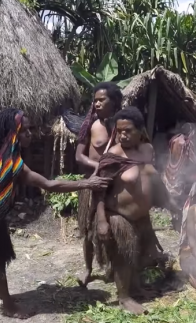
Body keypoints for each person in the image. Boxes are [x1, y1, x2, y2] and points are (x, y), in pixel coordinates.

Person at [0, 108, 110, 319]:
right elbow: (49, 184)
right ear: (13, 133)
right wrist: (86, 183)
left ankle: (6, 299)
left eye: (30, 129)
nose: (30, 134)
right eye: (25, 131)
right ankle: (9, 306)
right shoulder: (11, 164)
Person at [92, 107, 176, 315]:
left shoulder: (147, 150)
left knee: (140, 256)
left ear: (140, 130)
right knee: (123, 257)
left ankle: (136, 287)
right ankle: (124, 297)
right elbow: (99, 192)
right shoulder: (113, 156)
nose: (122, 135)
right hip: (118, 216)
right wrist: (102, 221)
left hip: (141, 216)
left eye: (128, 130)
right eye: (119, 131)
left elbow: (150, 178)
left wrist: (167, 201)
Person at [75, 82, 122, 287]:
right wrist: (100, 167)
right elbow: (79, 156)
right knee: (88, 231)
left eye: (102, 100)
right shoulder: (91, 126)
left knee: (113, 227)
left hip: (114, 186)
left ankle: (113, 266)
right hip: (92, 183)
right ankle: (88, 269)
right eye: (95, 100)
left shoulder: (123, 127)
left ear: (114, 102)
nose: (97, 103)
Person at [162, 123, 196, 232]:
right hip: (180, 174)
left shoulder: (175, 139)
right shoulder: (186, 143)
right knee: (181, 200)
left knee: (172, 198)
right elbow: (192, 159)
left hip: (169, 171)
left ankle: (175, 220)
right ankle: (181, 224)